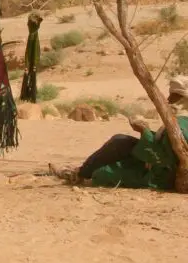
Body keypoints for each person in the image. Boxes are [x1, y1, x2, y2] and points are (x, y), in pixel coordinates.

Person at [50, 77, 188, 190]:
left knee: (102, 174)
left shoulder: (182, 124)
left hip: (160, 174)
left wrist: (144, 131)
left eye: (175, 96)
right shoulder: (179, 120)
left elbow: (164, 158)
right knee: (121, 141)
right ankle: (80, 172)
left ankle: (79, 174)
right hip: (153, 159)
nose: (168, 100)